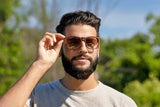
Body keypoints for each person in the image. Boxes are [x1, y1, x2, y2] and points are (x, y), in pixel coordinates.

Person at [0, 11, 137, 107]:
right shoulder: (36, 97)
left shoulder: (121, 103)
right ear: (60, 47)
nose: (83, 49)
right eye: (73, 42)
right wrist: (40, 64)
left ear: (98, 47)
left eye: (90, 42)